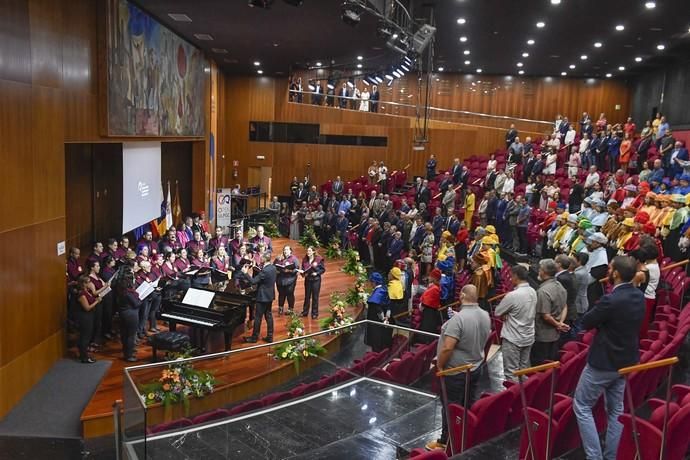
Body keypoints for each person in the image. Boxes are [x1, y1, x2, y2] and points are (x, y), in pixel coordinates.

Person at [574, 256, 646, 460]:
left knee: (582, 405)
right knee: (616, 411)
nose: (607, 271)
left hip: (603, 362)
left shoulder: (611, 299)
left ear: (615, 274)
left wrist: (601, 321)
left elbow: (587, 321)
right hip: (625, 361)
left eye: (611, 268)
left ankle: (594, 456)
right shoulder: (638, 295)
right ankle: (611, 456)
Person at [426, 284, 491, 451]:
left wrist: (440, 366)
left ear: (462, 296)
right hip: (475, 367)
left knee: (450, 406)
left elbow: (448, 347)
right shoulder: (485, 314)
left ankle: (445, 441)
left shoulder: (458, 319)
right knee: (467, 403)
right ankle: (462, 435)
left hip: (455, 372)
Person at [495, 265, 537, 382]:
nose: (510, 279)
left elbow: (498, 311)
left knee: (511, 373)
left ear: (516, 276)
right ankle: (524, 396)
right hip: (528, 336)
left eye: (511, 276)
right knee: (523, 370)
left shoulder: (513, 295)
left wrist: (506, 314)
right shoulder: (533, 291)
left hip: (513, 338)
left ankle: (514, 398)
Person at [531, 259, 568, 365]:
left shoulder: (543, 291)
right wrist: (560, 323)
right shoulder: (560, 286)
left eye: (540, 269)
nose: (538, 271)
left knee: (539, 365)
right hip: (555, 335)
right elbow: (565, 307)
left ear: (543, 272)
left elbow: (546, 316)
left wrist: (558, 324)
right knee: (549, 363)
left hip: (542, 336)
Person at [238, 253, 277, 343]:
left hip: (262, 297)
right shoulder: (273, 268)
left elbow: (253, 281)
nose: (260, 259)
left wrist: (245, 273)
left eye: (261, 258)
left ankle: (254, 337)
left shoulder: (265, 271)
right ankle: (270, 336)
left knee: (258, 317)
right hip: (270, 295)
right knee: (269, 316)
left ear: (264, 259)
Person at [115, 268, 142, 362]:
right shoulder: (129, 293)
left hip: (123, 313)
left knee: (124, 334)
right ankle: (129, 355)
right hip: (131, 315)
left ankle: (126, 352)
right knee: (131, 335)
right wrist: (140, 299)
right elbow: (137, 304)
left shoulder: (121, 289)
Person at [75, 275, 100, 363]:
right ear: (84, 284)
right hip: (84, 318)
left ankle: (83, 354)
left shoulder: (87, 292)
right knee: (85, 337)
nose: (91, 283)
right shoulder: (81, 294)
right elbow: (87, 308)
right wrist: (97, 301)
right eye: (89, 282)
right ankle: (84, 357)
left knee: (87, 336)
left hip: (89, 316)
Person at [364, 272, 391, 352]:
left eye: (371, 281)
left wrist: (383, 319)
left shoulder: (377, 293)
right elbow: (388, 304)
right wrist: (387, 317)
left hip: (375, 321)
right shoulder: (383, 289)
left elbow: (377, 309)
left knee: (376, 340)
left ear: (374, 282)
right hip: (383, 320)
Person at [301, 246, 325, 319]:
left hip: (316, 280)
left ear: (313, 251)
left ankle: (314, 313)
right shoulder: (305, 259)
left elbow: (322, 269)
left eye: (310, 251)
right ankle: (305, 312)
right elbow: (303, 268)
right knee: (307, 296)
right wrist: (303, 273)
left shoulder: (318, 259)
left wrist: (317, 273)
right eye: (307, 251)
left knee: (315, 297)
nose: (308, 252)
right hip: (308, 279)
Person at [274, 245, 300, 315]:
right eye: (284, 250)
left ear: (290, 251)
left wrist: (289, 271)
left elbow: (297, 269)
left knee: (290, 294)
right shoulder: (279, 258)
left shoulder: (294, 259)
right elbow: (274, 266)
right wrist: (276, 270)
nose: (285, 251)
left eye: (287, 250)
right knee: (281, 294)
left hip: (290, 280)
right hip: (280, 280)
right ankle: (280, 308)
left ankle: (290, 309)